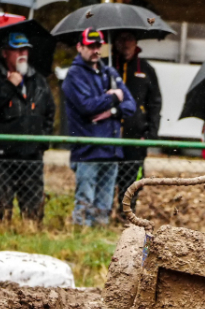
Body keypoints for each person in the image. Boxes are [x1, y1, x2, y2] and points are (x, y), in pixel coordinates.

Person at [0, 32, 55, 222]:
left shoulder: (39, 80)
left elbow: (50, 112)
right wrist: (9, 86)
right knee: (0, 213)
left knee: (34, 212)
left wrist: (42, 142)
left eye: (25, 49)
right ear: (4, 53)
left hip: (31, 158)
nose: (22, 54)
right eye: (17, 49)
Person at [63, 27, 135, 227]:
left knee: (104, 206)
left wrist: (112, 111)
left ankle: (99, 237)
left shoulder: (109, 72)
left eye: (98, 46)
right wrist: (113, 97)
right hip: (88, 150)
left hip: (111, 149)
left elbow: (130, 104)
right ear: (80, 47)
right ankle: (81, 239)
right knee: (85, 202)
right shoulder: (74, 75)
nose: (95, 50)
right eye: (90, 46)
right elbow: (86, 107)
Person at [112, 30, 162, 219]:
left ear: (136, 42)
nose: (125, 44)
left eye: (129, 40)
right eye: (121, 39)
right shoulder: (108, 66)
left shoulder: (146, 69)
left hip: (135, 135)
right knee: (109, 174)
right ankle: (103, 212)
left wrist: (151, 132)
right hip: (111, 134)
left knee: (132, 176)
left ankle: (125, 213)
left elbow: (155, 103)